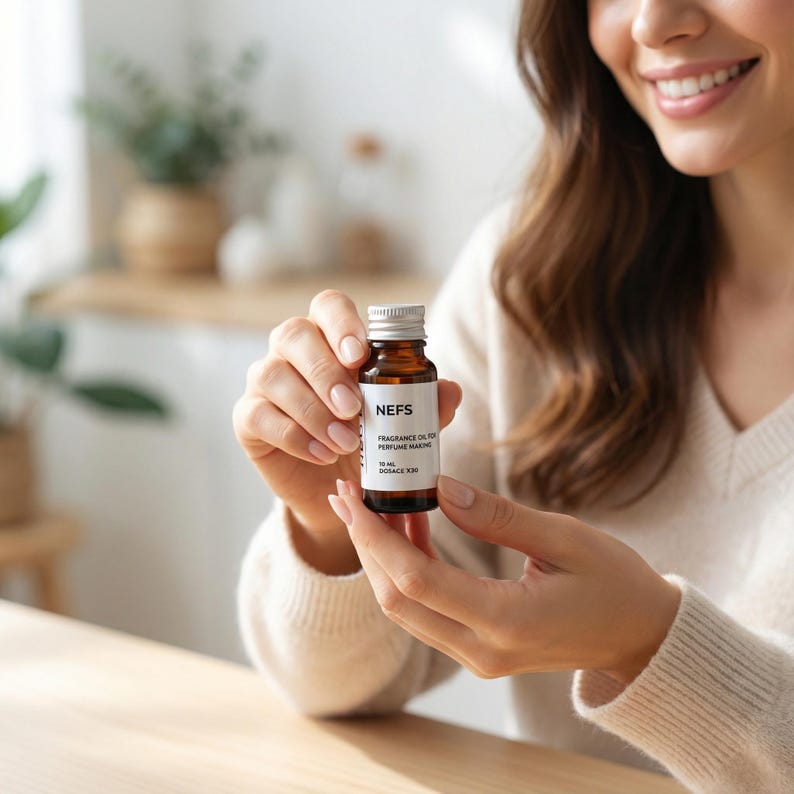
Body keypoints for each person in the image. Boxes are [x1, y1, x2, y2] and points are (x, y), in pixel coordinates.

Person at [232, 1, 794, 791]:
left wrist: (652, 646)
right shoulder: (535, 277)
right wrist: (331, 526)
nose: (653, 22)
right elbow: (338, 689)